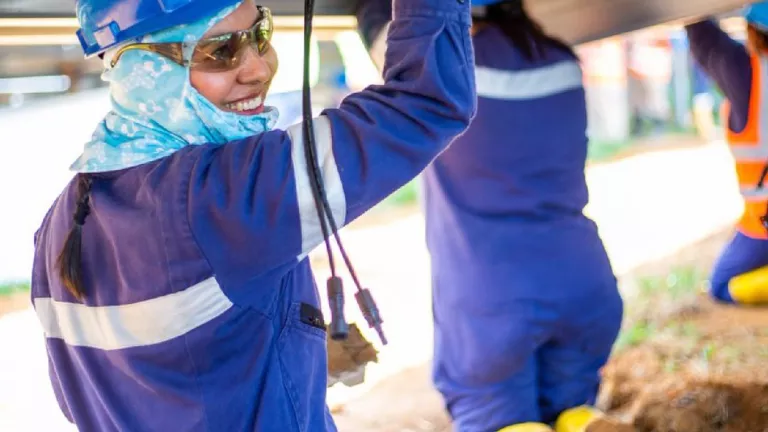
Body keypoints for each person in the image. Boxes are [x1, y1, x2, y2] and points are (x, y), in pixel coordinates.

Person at [30, 0, 476, 430]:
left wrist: (280, 349)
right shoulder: (223, 197)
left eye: (259, 34)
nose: (259, 68)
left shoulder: (59, 223)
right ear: (144, 71)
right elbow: (425, 103)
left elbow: (102, 394)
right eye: (219, 52)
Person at [355, 0, 623, 430]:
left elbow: (373, 15)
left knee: (503, 421)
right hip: (585, 286)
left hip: (491, 303)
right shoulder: (561, 58)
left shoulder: (440, 70)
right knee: (571, 414)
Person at [685, 2, 768, 305]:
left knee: (721, 285)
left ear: (753, 30)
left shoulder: (745, 72)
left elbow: (701, 35)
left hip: (763, 223)